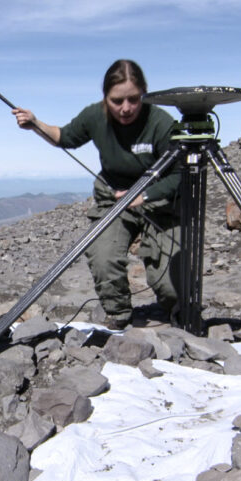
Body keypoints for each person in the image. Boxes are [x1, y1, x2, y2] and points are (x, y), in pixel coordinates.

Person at [12, 59, 180, 328]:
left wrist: (144, 195)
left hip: (158, 203)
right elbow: (64, 137)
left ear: (144, 94)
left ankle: (178, 310)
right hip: (112, 200)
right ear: (105, 98)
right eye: (117, 101)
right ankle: (119, 314)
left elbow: (180, 174)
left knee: (171, 284)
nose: (125, 108)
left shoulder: (160, 123)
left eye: (133, 99)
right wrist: (35, 123)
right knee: (103, 257)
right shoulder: (95, 116)